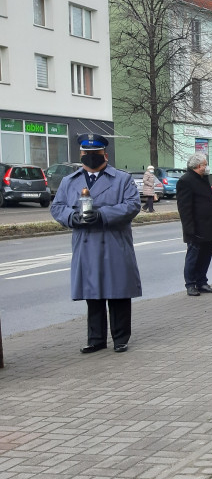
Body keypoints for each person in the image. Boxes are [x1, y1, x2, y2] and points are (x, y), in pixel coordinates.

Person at [50, 134, 143, 354]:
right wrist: (71, 217)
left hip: (114, 241)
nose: (91, 156)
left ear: (105, 155)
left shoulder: (122, 179)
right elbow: (57, 207)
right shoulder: (69, 181)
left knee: (118, 291)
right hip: (86, 242)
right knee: (92, 293)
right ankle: (96, 339)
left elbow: (132, 205)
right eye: (87, 153)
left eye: (95, 153)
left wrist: (103, 214)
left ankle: (120, 338)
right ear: (81, 154)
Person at [176, 153, 212, 297]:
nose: (206, 167)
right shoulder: (185, 180)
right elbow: (184, 208)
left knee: (205, 256)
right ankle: (190, 284)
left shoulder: (203, 179)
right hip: (196, 228)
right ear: (197, 166)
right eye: (205, 164)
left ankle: (202, 282)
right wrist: (189, 229)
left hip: (208, 227)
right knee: (193, 256)